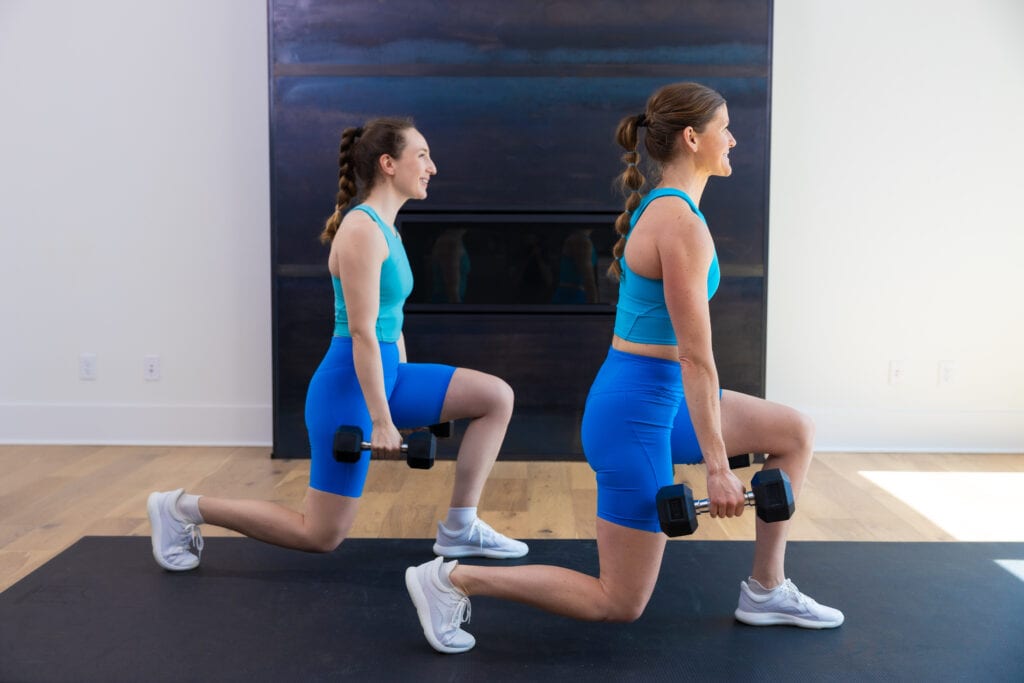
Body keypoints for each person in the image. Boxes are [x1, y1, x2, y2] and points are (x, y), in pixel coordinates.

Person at [404, 83, 843, 654]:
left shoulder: (671, 210)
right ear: (692, 137)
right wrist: (716, 466)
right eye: (725, 128)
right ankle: (450, 579)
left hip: (661, 400)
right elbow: (695, 356)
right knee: (619, 600)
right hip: (634, 414)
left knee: (793, 432)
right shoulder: (679, 221)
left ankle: (766, 587)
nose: (733, 139)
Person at [147, 117, 528, 572]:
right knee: (320, 534)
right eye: (422, 155)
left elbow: (391, 323)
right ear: (388, 164)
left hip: (385, 376)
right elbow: (363, 332)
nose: (433, 167)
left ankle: (460, 528)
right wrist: (382, 421)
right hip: (347, 386)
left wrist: (401, 391)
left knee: (495, 397)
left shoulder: (388, 229)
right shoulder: (361, 231)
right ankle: (182, 508)